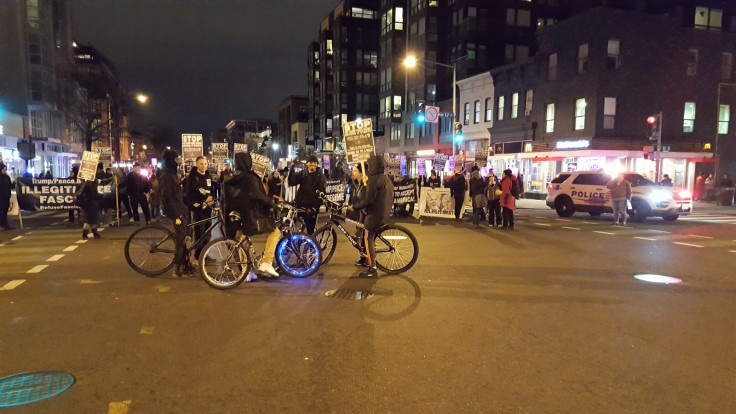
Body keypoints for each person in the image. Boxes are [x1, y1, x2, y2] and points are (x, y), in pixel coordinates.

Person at [224, 152, 280, 279]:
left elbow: (225, 199)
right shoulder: (250, 177)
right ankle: (266, 262)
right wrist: (272, 205)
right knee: (275, 231)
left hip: (234, 214)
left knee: (244, 239)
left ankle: (246, 271)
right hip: (251, 214)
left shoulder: (229, 178)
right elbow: (258, 196)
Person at [348, 155, 393, 278]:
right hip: (384, 213)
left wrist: (355, 207)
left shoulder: (373, 180)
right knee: (369, 238)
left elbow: (369, 200)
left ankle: (372, 268)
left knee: (368, 240)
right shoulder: (386, 179)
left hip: (374, 215)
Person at [159, 150, 194, 278]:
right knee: (180, 241)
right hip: (177, 215)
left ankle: (185, 264)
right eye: (175, 160)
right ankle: (178, 269)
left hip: (181, 211)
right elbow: (167, 197)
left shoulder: (172, 174)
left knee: (183, 238)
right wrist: (176, 215)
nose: (178, 162)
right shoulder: (166, 176)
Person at [288, 155, 326, 234]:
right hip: (300, 205)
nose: (312, 164)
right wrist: (292, 169)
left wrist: (314, 208)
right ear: (307, 164)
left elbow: (321, 193)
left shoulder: (320, 176)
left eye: (314, 163)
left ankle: (311, 245)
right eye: (310, 163)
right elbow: (292, 182)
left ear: (317, 164)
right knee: (297, 229)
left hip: (311, 208)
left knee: (310, 231)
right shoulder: (302, 174)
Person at [186, 156, 215, 260]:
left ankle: (205, 254)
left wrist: (214, 206)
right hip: (198, 208)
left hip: (208, 209)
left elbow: (211, 192)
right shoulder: (193, 177)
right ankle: (198, 255)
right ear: (197, 165)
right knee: (199, 232)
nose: (204, 166)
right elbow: (192, 193)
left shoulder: (208, 177)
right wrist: (204, 199)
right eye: (201, 164)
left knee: (207, 232)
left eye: (205, 164)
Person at [347, 164, 368, 267]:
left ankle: (367, 259)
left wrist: (355, 207)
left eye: (355, 171)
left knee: (365, 237)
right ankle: (363, 257)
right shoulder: (355, 183)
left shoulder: (366, 184)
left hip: (364, 214)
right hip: (357, 213)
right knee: (360, 236)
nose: (352, 173)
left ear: (361, 173)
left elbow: (365, 200)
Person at [0, 164, 14, 230]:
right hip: (1, 197)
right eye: (3, 169)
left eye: (5, 169)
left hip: (6, 196)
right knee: (1, 211)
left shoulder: (7, 177)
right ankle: (3, 224)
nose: (5, 170)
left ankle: (4, 224)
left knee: (5, 211)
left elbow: (10, 185)